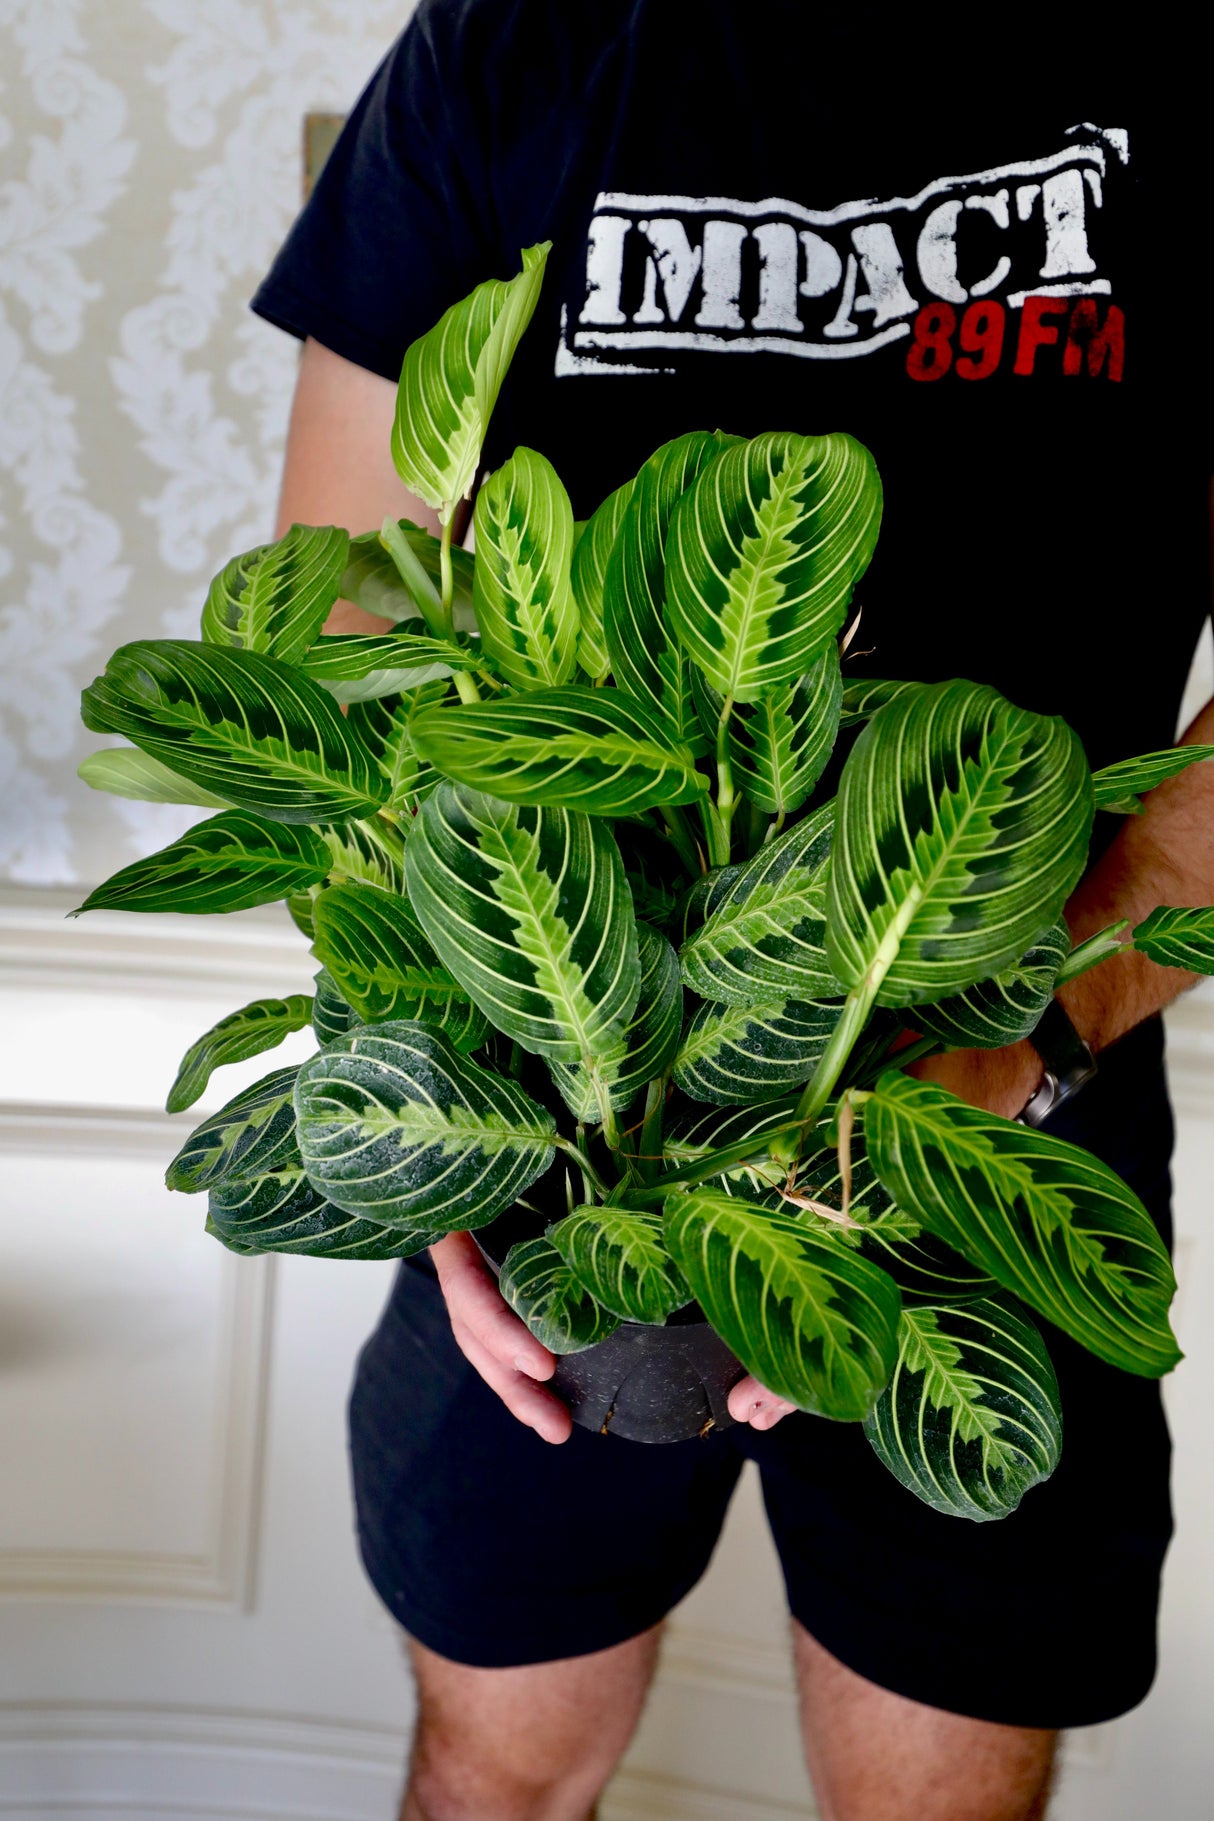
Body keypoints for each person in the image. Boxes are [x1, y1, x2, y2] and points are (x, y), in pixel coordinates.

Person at [252, 5, 1214, 1816]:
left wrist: (1011, 1052)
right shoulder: (508, 49)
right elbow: (346, 625)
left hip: (1010, 1102)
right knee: (499, 1768)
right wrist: (444, 1117)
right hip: (557, 1111)